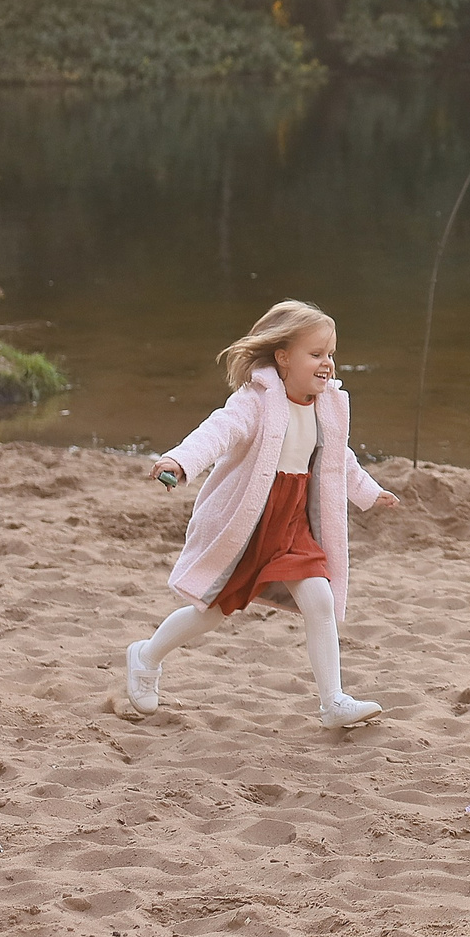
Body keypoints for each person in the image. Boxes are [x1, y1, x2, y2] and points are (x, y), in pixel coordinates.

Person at [125, 299, 401, 729]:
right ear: (283, 357)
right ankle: (145, 656)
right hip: (250, 521)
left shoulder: (328, 404)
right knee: (211, 612)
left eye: (330, 354)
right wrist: (179, 461)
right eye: (316, 354)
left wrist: (369, 490)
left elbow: (336, 458)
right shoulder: (255, 401)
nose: (327, 364)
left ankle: (333, 702)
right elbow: (216, 431)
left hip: (292, 522)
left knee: (320, 599)